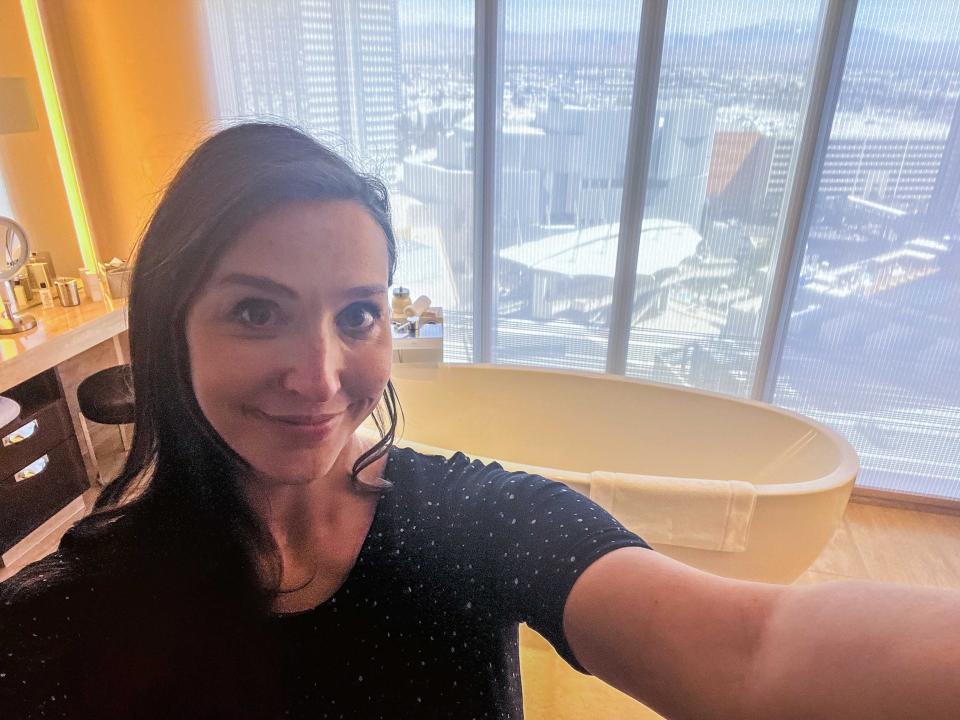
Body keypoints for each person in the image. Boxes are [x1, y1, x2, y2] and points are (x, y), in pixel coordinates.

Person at [1, 122, 957, 720]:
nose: (320, 374)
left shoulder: (469, 520)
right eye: (256, 311)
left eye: (357, 314)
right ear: (173, 330)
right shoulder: (57, 617)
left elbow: (755, 652)